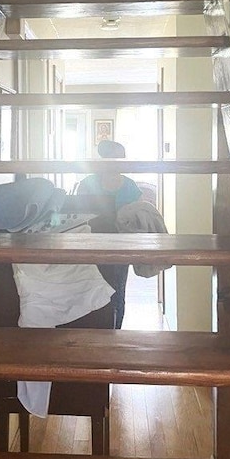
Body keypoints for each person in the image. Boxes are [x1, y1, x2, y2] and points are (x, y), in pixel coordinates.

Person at [77, 140, 141, 329]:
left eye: (123, 158)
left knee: (118, 290)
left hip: (122, 245)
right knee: (91, 288)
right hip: (91, 243)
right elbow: (77, 213)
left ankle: (115, 331)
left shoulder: (130, 186)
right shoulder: (87, 183)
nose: (122, 162)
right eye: (118, 157)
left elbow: (138, 216)